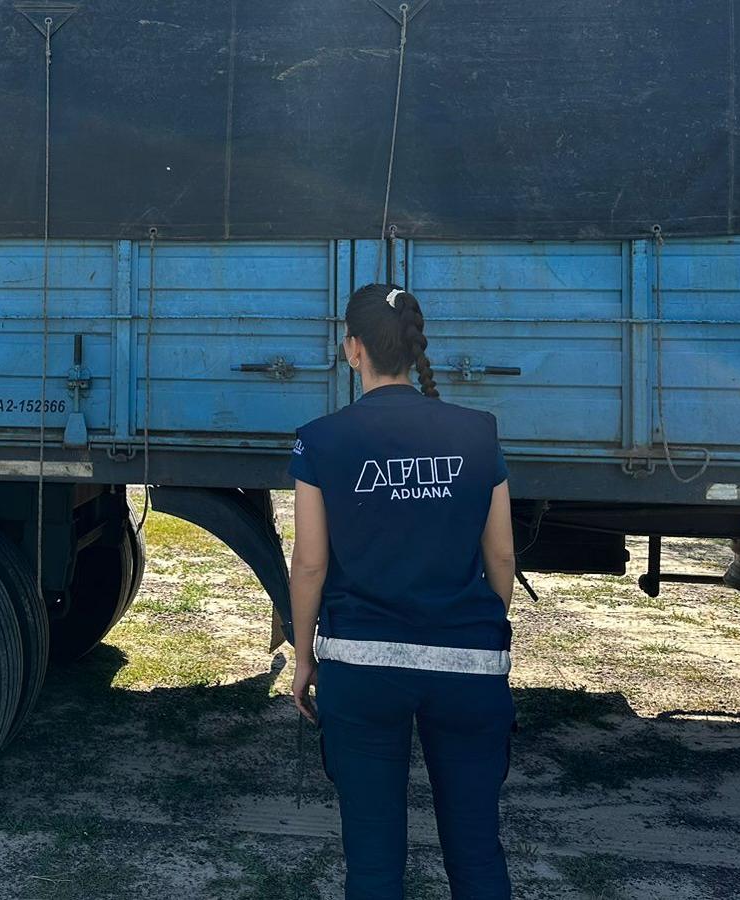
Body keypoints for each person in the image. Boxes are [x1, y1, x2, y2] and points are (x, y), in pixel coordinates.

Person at [288, 284, 517, 899]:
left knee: (373, 865)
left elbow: (309, 565)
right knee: (476, 854)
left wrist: (304, 656)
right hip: (468, 666)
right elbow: (500, 554)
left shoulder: (320, 440)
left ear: (351, 349)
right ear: (415, 350)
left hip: (362, 670)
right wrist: (483, 630)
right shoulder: (479, 433)